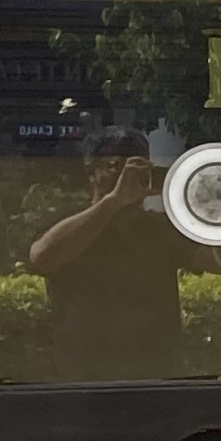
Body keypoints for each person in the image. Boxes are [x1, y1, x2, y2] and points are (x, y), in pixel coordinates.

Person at [23, 127, 190, 380]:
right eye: (116, 167)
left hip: (157, 377)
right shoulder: (68, 223)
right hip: (86, 379)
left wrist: (193, 202)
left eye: (138, 169)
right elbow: (43, 257)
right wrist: (113, 202)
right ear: (92, 172)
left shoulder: (159, 227)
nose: (127, 178)